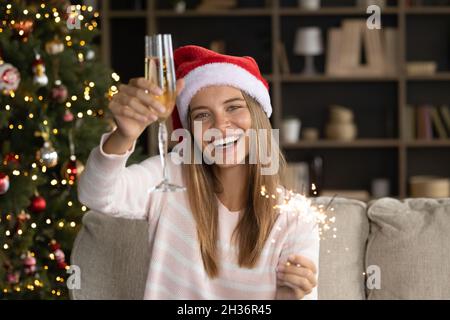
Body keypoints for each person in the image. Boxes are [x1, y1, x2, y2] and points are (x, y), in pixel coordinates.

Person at [77, 45, 319, 299]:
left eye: (233, 107)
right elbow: (95, 195)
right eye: (203, 115)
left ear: (257, 115)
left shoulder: (295, 217)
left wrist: (288, 297)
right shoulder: (168, 175)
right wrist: (123, 136)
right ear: (190, 130)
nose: (221, 126)